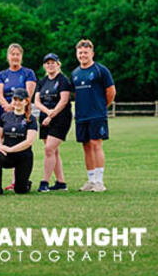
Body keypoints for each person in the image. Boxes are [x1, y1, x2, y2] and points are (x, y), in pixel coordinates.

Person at [71, 39, 116, 193]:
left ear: (92, 53)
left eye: (86, 52)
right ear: (77, 54)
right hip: (81, 116)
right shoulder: (75, 73)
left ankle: (99, 181)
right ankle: (90, 180)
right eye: (80, 52)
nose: (83, 55)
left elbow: (111, 92)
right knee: (86, 146)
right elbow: (76, 94)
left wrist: (101, 107)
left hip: (97, 115)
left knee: (96, 144)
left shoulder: (100, 70)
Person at [0, 43, 36, 191]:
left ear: (21, 56)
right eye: (12, 54)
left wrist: (15, 106)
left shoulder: (28, 73)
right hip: (6, 113)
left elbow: (28, 94)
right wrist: (7, 107)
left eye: (17, 54)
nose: (15, 57)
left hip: (21, 112)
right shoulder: (2, 74)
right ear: (8, 57)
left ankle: (17, 181)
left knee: (19, 144)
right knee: (7, 143)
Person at [34, 53, 73, 192]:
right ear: (44, 65)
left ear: (58, 64)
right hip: (45, 118)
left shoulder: (63, 80)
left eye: (53, 62)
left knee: (49, 149)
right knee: (53, 151)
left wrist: (52, 115)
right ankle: (61, 183)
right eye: (47, 63)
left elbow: (64, 101)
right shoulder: (43, 81)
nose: (50, 65)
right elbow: (37, 101)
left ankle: (44, 182)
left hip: (60, 119)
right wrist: (47, 112)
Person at [0, 88, 38, 196]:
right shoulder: (5, 116)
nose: (17, 102)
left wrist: (11, 149)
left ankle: (26, 183)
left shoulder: (31, 119)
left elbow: (29, 141)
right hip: (8, 155)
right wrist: (0, 146)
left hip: (23, 156)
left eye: (20, 100)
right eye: (15, 99)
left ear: (26, 101)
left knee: (20, 190)